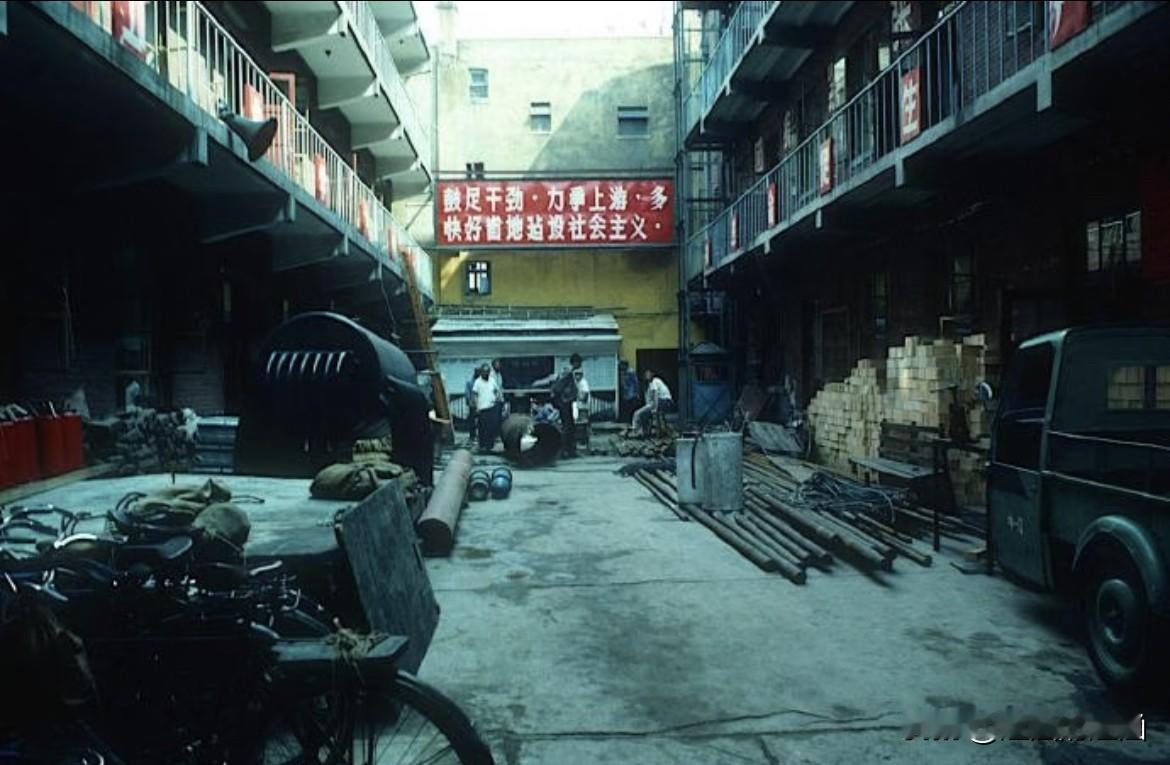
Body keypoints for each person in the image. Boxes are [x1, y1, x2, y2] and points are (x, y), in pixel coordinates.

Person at [550, 353, 583, 458]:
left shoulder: (568, 371)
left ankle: (569, 450)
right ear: (576, 362)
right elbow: (559, 386)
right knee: (567, 427)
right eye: (579, 363)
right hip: (564, 402)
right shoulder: (568, 372)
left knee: (570, 426)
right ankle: (565, 450)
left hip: (566, 402)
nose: (580, 365)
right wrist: (565, 396)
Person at [632, 368, 675, 437]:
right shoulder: (650, 385)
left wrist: (655, 407)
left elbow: (656, 395)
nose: (647, 375)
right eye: (646, 374)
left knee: (637, 414)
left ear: (652, 374)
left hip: (664, 401)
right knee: (644, 415)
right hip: (661, 402)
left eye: (648, 374)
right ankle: (645, 432)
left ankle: (635, 430)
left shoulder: (655, 381)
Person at [471, 364, 501, 452]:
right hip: (482, 408)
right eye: (484, 372)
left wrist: (497, 398)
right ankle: (482, 445)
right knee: (482, 428)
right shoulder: (477, 382)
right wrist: (476, 406)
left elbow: (496, 390)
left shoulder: (492, 380)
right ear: (481, 373)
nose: (486, 373)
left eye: (487, 372)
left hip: (491, 407)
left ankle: (490, 445)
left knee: (491, 427)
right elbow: (475, 394)